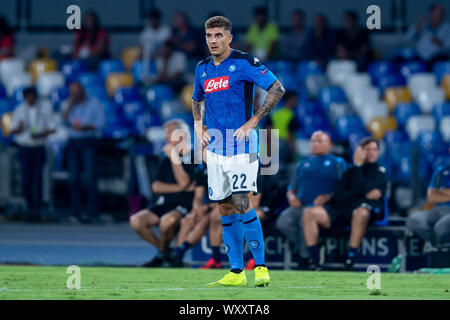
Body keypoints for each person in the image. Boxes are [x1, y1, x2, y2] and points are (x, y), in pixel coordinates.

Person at [192, 16, 285, 287]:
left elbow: (277, 88)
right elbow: (196, 99)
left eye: (219, 35)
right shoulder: (202, 69)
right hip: (216, 150)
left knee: (242, 202)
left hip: (243, 147)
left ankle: (261, 268)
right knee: (223, 206)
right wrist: (199, 126)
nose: (213, 40)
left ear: (229, 37)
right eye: (209, 35)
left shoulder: (244, 62)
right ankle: (236, 272)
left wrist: (253, 121)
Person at [302, 137, 388, 270]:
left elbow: (360, 189)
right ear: (359, 151)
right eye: (367, 149)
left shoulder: (380, 172)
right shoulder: (349, 171)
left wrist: (358, 174)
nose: (371, 153)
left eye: (374, 150)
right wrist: (362, 192)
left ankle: (350, 259)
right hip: (343, 210)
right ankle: (314, 260)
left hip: (365, 212)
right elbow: (340, 194)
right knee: (309, 213)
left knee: (361, 212)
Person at [129, 119, 197, 267]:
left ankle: (162, 255)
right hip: (164, 203)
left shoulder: (193, 157)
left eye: (169, 133)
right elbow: (156, 187)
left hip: (183, 205)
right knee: (136, 221)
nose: (166, 138)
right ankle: (165, 253)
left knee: (167, 221)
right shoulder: (165, 159)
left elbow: (184, 181)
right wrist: (181, 187)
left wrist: (174, 158)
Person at [275, 131, 347, 269]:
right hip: (300, 205)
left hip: (325, 208)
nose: (315, 144)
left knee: (306, 218)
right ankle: (306, 247)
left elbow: (344, 187)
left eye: (320, 141)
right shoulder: (302, 164)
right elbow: (291, 188)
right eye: (313, 141)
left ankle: (305, 258)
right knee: (283, 222)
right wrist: (291, 197)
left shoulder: (338, 163)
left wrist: (328, 196)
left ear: (329, 144)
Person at [9, 87, 55, 221]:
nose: (30, 99)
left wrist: (40, 134)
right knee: (25, 179)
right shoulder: (19, 110)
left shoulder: (45, 108)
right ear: (24, 97)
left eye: (32, 96)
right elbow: (12, 130)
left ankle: (38, 208)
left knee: (38, 179)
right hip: (24, 147)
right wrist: (21, 127)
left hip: (38, 146)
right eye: (28, 97)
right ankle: (28, 206)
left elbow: (52, 128)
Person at [62, 82, 105, 223]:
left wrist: (84, 128)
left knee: (90, 178)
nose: (74, 96)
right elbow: (63, 121)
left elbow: (100, 123)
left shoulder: (94, 103)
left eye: (76, 93)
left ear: (82, 91)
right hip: (73, 143)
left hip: (88, 141)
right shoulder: (69, 104)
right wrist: (69, 105)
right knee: (73, 179)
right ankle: (76, 213)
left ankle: (93, 213)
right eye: (72, 93)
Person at [170, 163, 218, 267]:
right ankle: (177, 259)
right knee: (187, 220)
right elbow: (198, 197)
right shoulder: (203, 170)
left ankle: (216, 260)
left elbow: (231, 197)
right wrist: (196, 211)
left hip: (227, 206)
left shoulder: (226, 165)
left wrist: (207, 207)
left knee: (209, 218)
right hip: (211, 207)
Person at [407, 156, 450, 254]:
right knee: (414, 220)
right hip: (438, 209)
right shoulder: (442, 170)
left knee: (441, 227)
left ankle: (439, 249)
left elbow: (437, 193)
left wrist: (442, 191)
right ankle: (437, 246)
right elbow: (431, 197)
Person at [265, 91, 299, 165]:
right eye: (295, 99)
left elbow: (268, 131)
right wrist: (294, 152)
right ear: (291, 99)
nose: (297, 101)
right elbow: (290, 136)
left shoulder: (274, 113)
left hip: (273, 144)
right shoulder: (291, 115)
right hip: (284, 145)